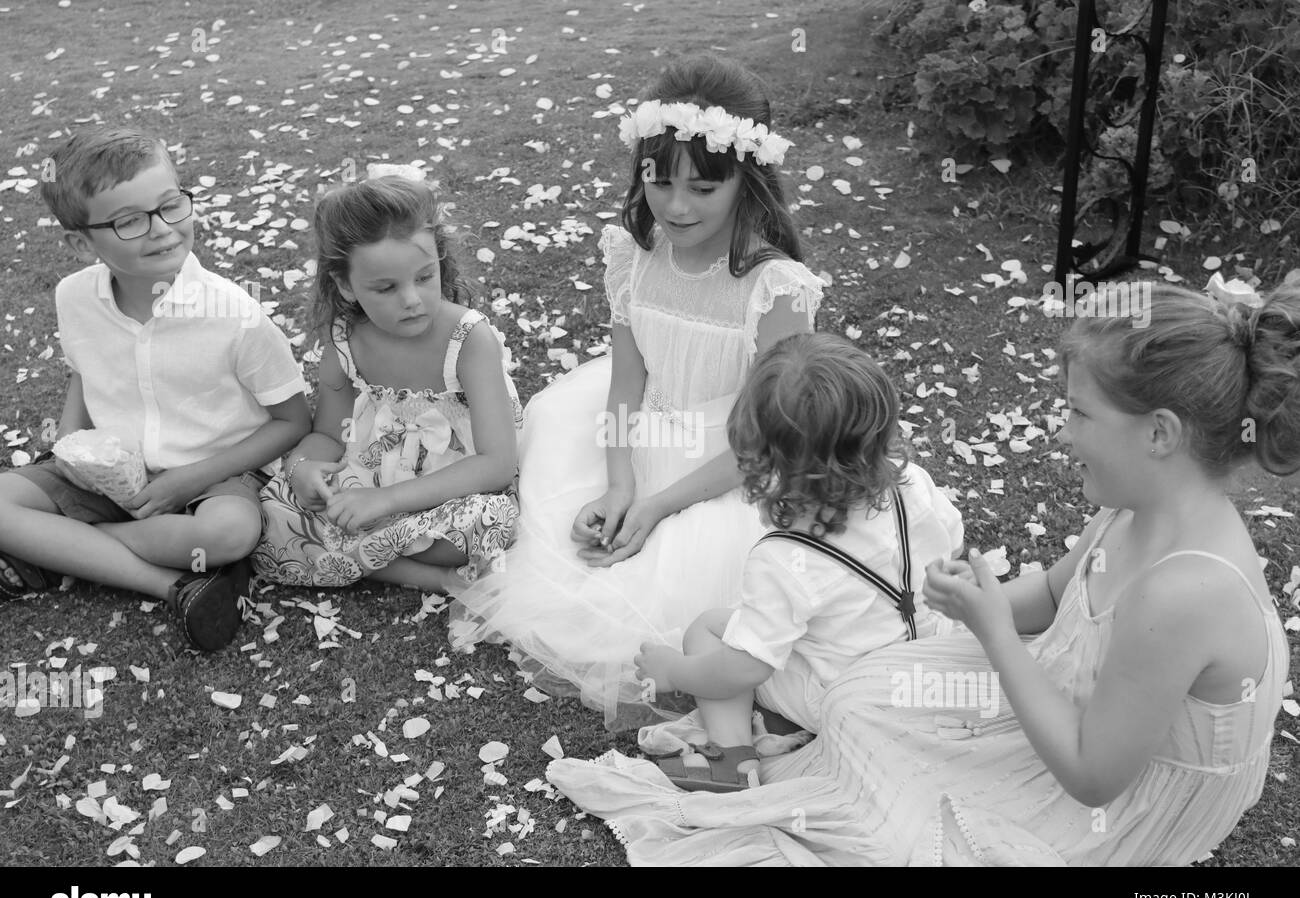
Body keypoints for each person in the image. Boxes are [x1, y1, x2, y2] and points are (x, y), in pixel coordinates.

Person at [548, 276, 1295, 866]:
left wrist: (995, 634)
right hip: (1080, 716)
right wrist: (980, 600)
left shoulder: (1184, 590)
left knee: (896, 821)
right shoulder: (1131, 513)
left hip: (1118, 802)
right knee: (862, 700)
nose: (1061, 432)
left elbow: (1094, 775)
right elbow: (1051, 598)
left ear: (1159, 433)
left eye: (1078, 414)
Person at [451, 55, 825, 728]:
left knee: (679, 587)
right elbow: (626, 381)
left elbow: (763, 438)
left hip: (735, 461)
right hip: (642, 429)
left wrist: (655, 507)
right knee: (562, 529)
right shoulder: (634, 252)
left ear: (749, 180)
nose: (677, 207)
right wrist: (620, 483)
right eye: (660, 181)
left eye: (704, 189)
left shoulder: (776, 288)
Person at [0, 127, 310, 651]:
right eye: (129, 221)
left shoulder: (234, 314)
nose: (161, 229)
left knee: (230, 533)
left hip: (215, 474)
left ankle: (58, 552)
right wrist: (73, 445)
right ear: (81, 244)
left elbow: (293, 421)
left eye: (171, 206)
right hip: (107, 472)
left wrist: (188, 481)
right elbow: (84, 369)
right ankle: (175, 583)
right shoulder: (74, 296)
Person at [632, 333, 964, 791]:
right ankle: (778, 723)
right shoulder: (914, 486)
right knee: (826, 627)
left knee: (709, 628)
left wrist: (675, 671)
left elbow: (745, 668)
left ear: (767, 464)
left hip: (846, 699)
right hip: (922, 670)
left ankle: (731, 758)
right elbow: (952, 544)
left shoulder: (785, 557)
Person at [251, 167, 522, 593]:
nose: (412, 300)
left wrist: (385, 502)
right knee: (272, 511)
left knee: (491, 522)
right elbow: (328, 433)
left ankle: (368, 559)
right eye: (385, 288)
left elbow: (497, 465)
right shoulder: (345, 339)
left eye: (424, 277)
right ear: (345, 285)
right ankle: (428, 574)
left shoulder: (469, 339)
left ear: (439, 260)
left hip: (455, 482)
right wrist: (303, 469)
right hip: (373, 470)